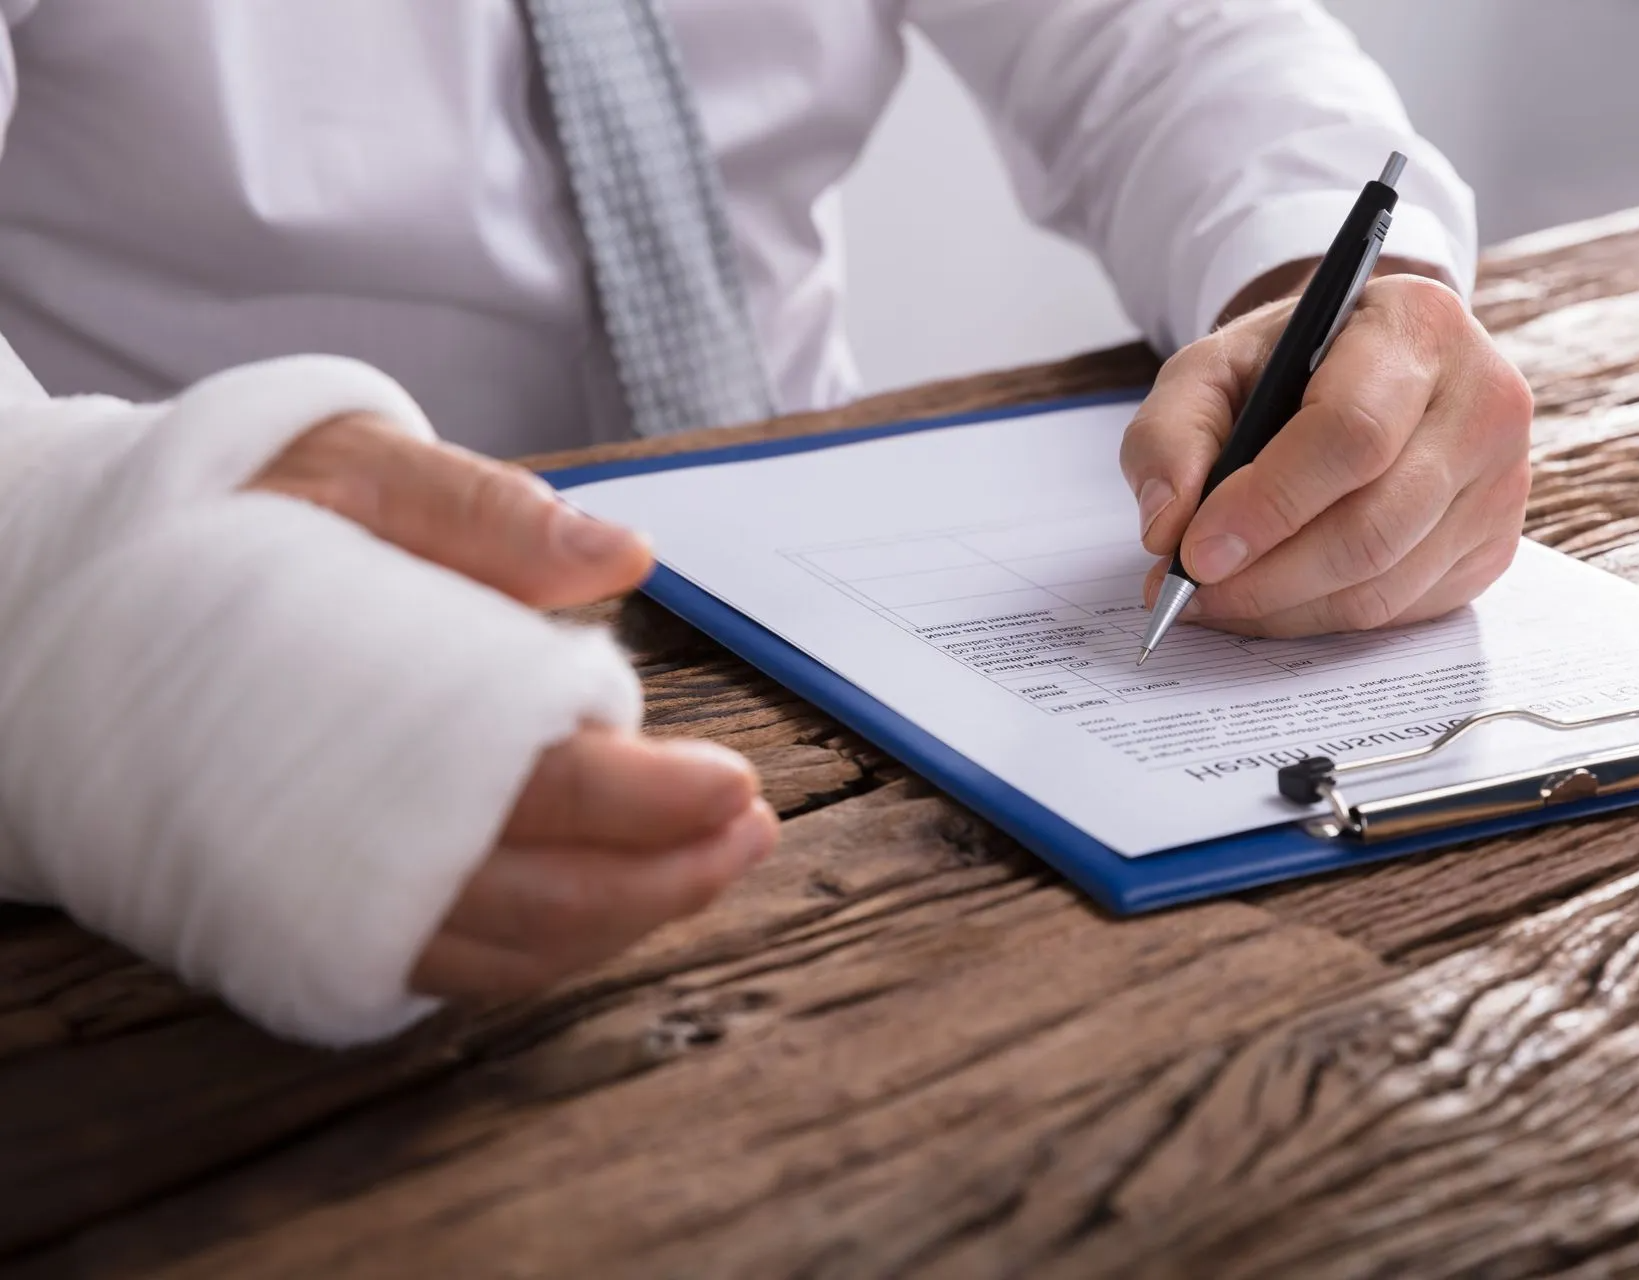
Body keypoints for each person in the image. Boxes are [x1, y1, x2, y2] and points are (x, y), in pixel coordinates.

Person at [0, 1, 1531, 1045]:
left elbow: (1163, 38)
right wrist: (89, 603)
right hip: (266, 653)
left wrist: (1312, 301)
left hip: (837, 597)